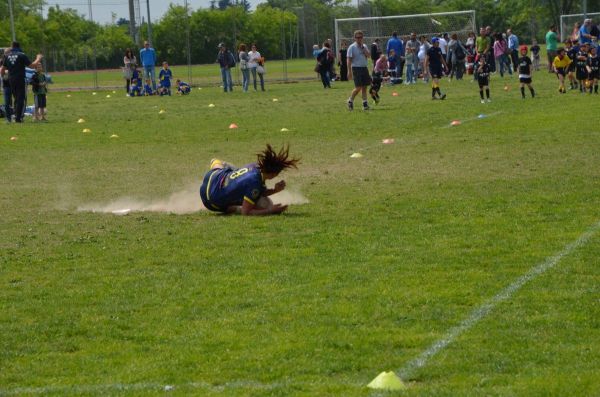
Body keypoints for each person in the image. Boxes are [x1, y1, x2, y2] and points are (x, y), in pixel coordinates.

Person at [199, 144, 299, 216]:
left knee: (228, 168)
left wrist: (275, 190)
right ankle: (233, 208)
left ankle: (216, 162)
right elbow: (246, 212)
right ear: (274, 174)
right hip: (211, 202)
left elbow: (258, 192)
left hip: (212, 176)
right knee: (265, 204)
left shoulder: (255, 166)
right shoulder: (254, 184)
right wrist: (270, 210)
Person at [0, 41, 42, 123]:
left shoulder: (7, 56)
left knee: (16, 98)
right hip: (20, 79)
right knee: (21, 99)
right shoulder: (22, 55)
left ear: (12, 47)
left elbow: (2, 70)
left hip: (11, 80)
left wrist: (3, 76)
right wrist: (38, 58)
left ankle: (16, 116)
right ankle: (18, 118)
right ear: (19, 47)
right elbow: (32, 66)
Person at [346, 30, 372, 111]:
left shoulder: (364, 46)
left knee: (365, 87)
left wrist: (363, 48)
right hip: (356, 68)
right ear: (354, 38)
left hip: (364, 68)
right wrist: (349, 71)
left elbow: (368, 56)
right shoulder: (352, 47)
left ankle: (365, 104)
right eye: (357, 37)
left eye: (360, 37)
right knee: (358, 87)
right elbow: (349, 60)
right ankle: (350, 101)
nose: (359, 39)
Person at [0, 48, 12, 123]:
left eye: (8, 53)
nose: (7, 54)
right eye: (5, 53)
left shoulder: (13, 60)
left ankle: (14, 115)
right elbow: (1, 71)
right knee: (7, 102)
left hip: (14, 83)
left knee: (16, 101)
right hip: (6, 84)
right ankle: (8, 118)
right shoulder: (2, 61)